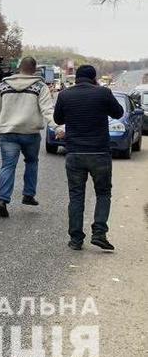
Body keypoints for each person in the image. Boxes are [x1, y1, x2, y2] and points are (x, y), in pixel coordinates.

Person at [53, 65, 124, 251]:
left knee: (76, 196)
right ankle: (99, 232)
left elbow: (58, 119)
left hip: (74, 153)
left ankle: (76, 239)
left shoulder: (65, 95)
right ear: (94, 78)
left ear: (76, 77)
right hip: (99, 153)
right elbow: (119, 113)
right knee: (103, 193)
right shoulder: (103, 93)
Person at [0, 56, 55, 218]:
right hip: (30, 133)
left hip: (8, 132)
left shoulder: (4, 85)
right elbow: (47, 110)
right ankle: (28, 194)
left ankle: (2, 200)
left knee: (8, 166)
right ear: (34, 70)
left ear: (19, 68)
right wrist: (57, 127)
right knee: (32, 162)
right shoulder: (40, 86)